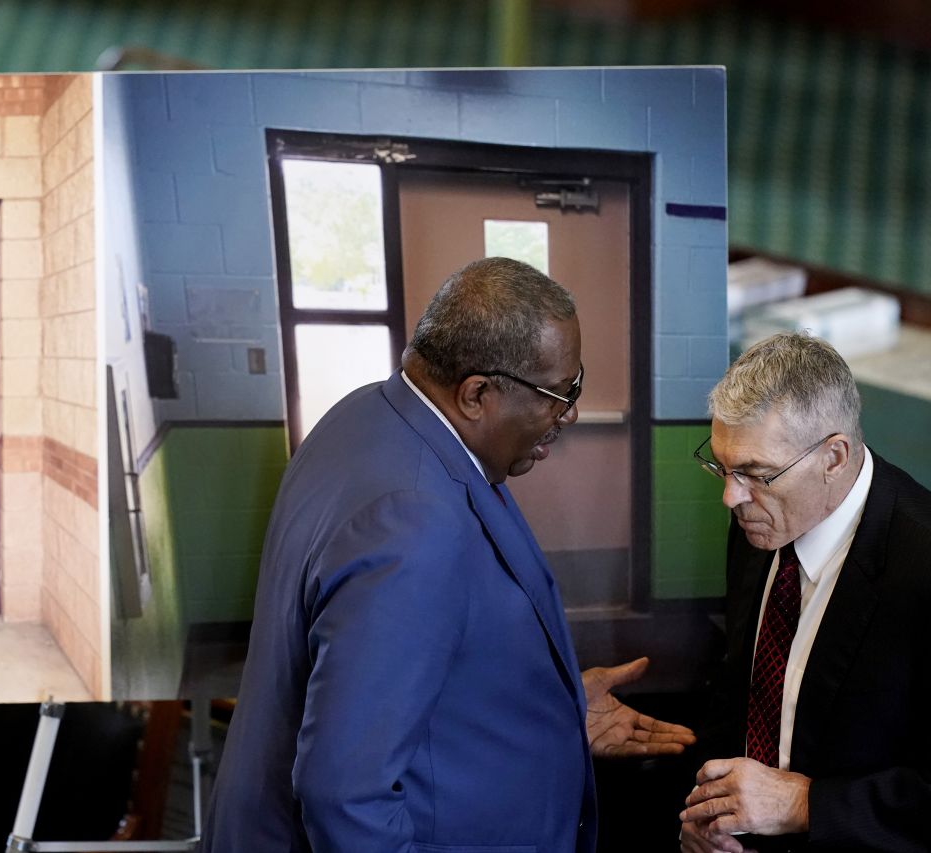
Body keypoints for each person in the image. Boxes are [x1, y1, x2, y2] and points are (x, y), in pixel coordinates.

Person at [204, 257, 694, 853]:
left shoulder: (370, 414)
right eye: (555, 396)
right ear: (476, 394)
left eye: (574, 388)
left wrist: (549, 710)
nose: (565, 415)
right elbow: (346, 794)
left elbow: (398, 672)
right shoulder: (413, 519)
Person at [679, 332, 931, 852]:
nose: (730, 497)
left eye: (755, 474)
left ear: (834, 457)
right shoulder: (762, 521)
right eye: (723, 468)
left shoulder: (921, 564)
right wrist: (709, 819)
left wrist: (804, 806)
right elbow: (742, 695)